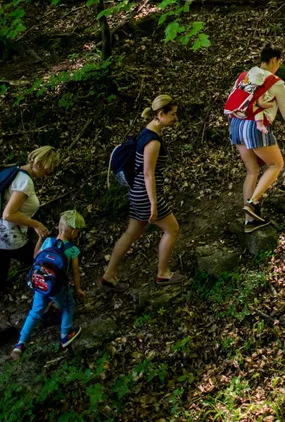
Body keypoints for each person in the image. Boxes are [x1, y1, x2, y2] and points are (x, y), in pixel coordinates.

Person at [0, 145, 63, 351]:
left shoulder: (16, 171)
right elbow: (9, 214)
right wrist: (36, 225)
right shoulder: (25, 182)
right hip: (9, 237)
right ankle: (49, 311)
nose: (49, 173)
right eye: (49, 168)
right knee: (45, 267)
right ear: (42, 163)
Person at [101, 95, 185, 290]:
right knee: (172, 229)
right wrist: (154, 203)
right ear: (160, 114)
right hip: (145, 194)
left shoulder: (147, 132)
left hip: (137, 192)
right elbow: (148, 173)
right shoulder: (152, 141)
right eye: (172, 114)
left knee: (132, 232)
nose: (175, 118)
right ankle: (163, 274)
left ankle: (109, 274)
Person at [229, 44, 285, 229]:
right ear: (274, 60)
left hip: (235, 124)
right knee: (277, 164)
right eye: (279, 62)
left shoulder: (244, 76)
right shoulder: (276, 82)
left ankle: (249, 220)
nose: (278, 66)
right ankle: (253, 203)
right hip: (255, 127)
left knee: (252, 171)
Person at [10, 210, 85, 359]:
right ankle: (65, 334)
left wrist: (39, 239)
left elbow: (35, 257)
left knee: (35, 312)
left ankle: (20, 344)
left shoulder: (48, 242)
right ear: (74, 231)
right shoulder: (72, 250)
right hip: (58, 288)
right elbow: (75, 272)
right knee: (68, 305)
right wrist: (78, 289)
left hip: (41, 284)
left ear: (59, 226)